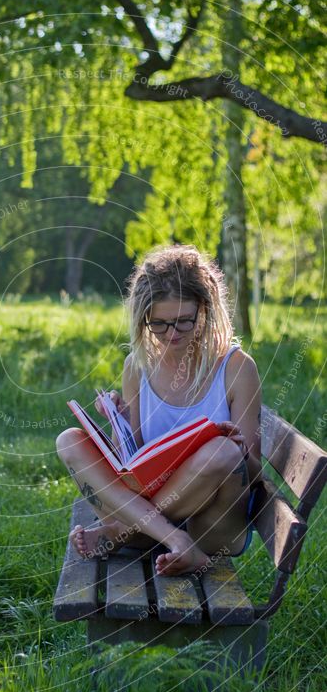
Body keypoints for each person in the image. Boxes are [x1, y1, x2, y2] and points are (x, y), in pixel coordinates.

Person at [56, 244, 263, 576]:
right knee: (69, 441)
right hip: (156, 521)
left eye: (183, 322)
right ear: (144, 320)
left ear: (206, 311)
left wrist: (236, 450)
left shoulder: (236, 368)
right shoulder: (137, 367)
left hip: (210, 524)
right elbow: (133, 464)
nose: (171, 334)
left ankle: (121, 534)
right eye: (159, 324)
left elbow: (253, 475)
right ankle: (175, 541)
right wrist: (118, 422)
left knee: (221, 453)